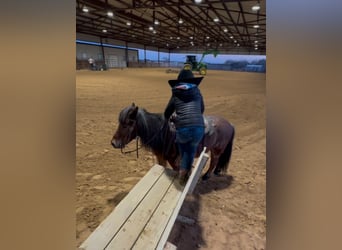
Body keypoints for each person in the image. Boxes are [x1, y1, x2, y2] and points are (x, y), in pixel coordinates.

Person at [164, 69, 205, 185]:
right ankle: (187, 173)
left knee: (183, 151)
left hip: (183, 128)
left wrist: (173, 117)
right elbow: (202, 109)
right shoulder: (197, 91)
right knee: (191, 151)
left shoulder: (176, 91)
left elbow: (167, 112)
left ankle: (182, 176)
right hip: (199, 128)